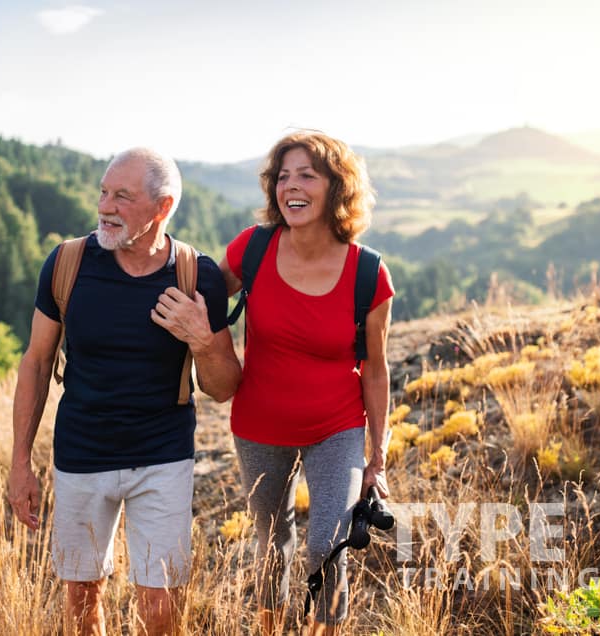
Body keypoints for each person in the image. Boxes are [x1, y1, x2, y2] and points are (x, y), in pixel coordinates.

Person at [8, 147, 241, 636]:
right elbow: (36, 362)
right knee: (82, 595)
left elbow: (223, 388)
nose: (105, 207)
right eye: (103, 192)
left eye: (122, 196)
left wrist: (201, 339)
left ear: (163, 206)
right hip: (81, 454)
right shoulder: (67, 263)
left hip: (163, 457)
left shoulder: (196, 275)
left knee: (160, 604)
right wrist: (20, 462)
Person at [221, 131, 394, 635]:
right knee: (272, 543)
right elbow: (201, 298)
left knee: (327, 543)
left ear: (337, 188)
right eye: (283, 176)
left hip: (336, 427)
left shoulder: (369, 273)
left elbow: (376, 369)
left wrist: (377, 456)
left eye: (307, 175)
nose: (290, 186)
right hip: (259, 425)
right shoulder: (253, 249)